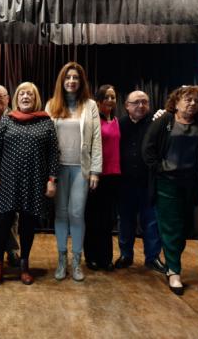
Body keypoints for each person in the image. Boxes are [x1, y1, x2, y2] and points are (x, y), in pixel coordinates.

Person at [0, 82, 59, 288]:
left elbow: (54, 154)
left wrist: (52, 180)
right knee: (2, 225)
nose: (25, 97)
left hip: (35, 181)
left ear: (35, 98)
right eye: (22, 94)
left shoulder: (46, 122)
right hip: (8, 180)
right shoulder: (7, 121)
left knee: (28, 225)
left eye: (30, 94)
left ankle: (24, 266)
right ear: (16, 98)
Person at [142, 85, 198, 295]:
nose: (192, 103)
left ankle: (172, 263)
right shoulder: (164, 120)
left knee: (184, 226)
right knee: (171, 227)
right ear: (176, 102)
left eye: (195, 100)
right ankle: (174, 271)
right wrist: (160, 168)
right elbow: (147, 149)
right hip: (167, 182)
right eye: (187, 99)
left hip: (190, 184)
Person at [45, 62, 101, 282]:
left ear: (81, 81)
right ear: (62, 81)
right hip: (57, 169)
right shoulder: (52, 105)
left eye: (75, 78)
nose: (71, 81)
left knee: (76, 214)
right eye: (67, 77)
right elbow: (46, 141)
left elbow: (96, 139)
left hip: (81, 169)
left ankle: (77, 261)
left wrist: (96, 170)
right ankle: (62, 260)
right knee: (60, 214)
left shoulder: (90, 106)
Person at [115, 91, 166, 273]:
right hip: (124, 183)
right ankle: (126, 255)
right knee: (125, 222)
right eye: (136, 102)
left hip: (149, 183)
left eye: (144, 102)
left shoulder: (157, 123)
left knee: (151, 222)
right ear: (127, 105)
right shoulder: (118, 125)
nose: (141, 106)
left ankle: (152, 258)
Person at [84, 84, 120, 271]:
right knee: (92, 219)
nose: (110, 100)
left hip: (113, 177)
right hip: (95, 175)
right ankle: (91, 257)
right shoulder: (93, 120)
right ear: (98, 100)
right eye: (107, 97)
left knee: (107, 220)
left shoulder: (116, 120)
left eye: (113, 97)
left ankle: (106, 258)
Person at [0, 85, 21, 267]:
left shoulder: (16, 118)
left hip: (10, 174)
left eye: (1, 96)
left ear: (8, 99)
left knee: (11, 215)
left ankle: (12, 251)